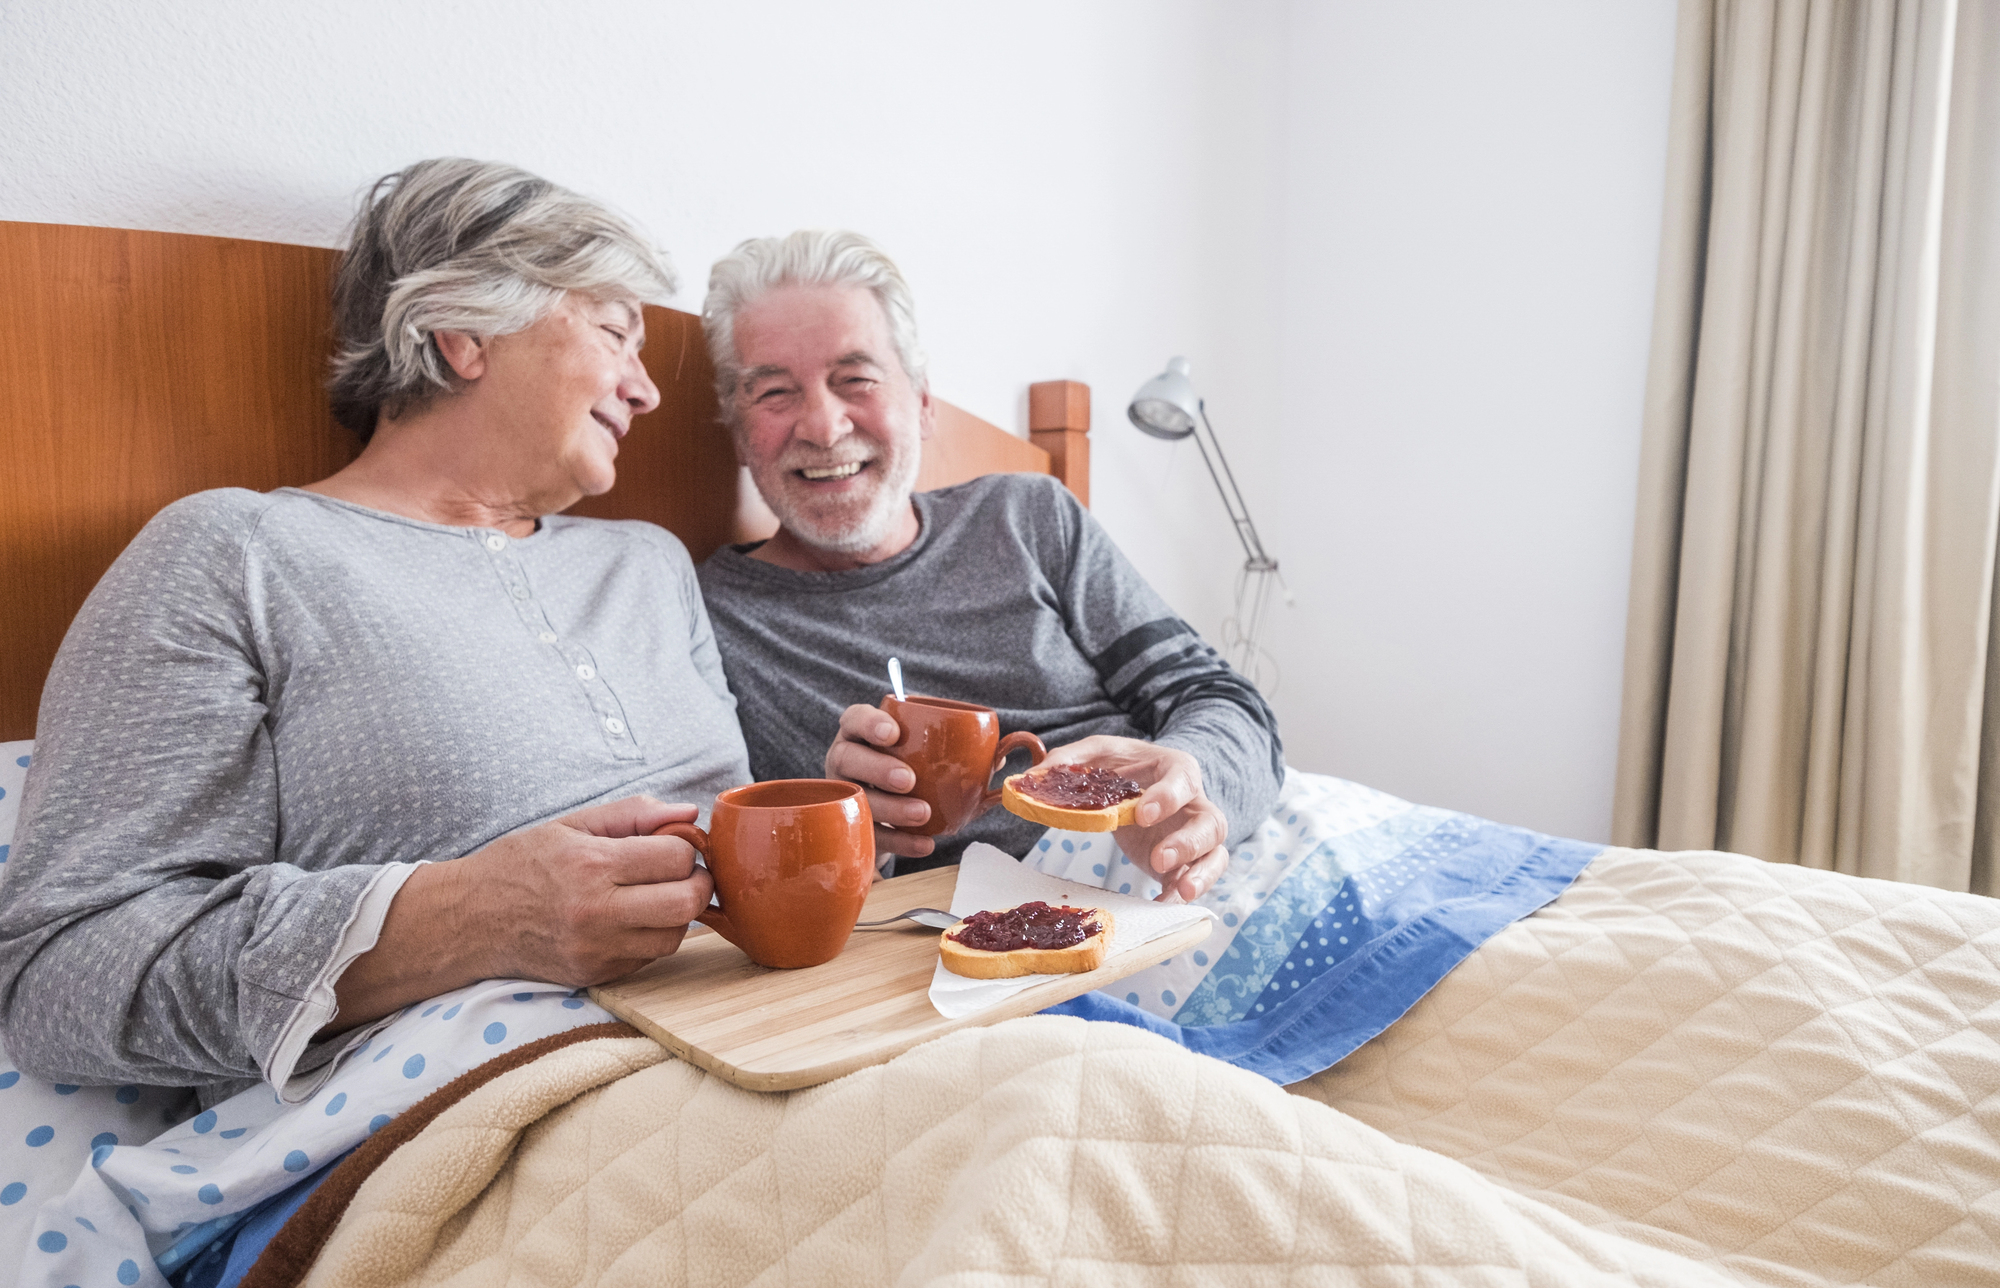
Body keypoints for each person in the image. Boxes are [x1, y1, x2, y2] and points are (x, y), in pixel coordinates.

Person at [0, 159, 748, 1096]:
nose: (647, 392)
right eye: (612, 331)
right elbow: (55, 979)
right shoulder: (236, 553)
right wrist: (464, 917)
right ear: (465, 331)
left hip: (767, 1030)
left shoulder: (649, 563)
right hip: (484, 1102)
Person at [695, 231, 1282, 901]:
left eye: (855, 378)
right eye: (774, 392)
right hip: (1002, 930)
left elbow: (1226, 703)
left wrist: (1192, 780)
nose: (824, 427)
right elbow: (739, 861)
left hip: (1210, 865)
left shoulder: (1028, 515)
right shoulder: (710, 618)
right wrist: (848, 831)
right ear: (739, 434)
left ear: (921, 401)